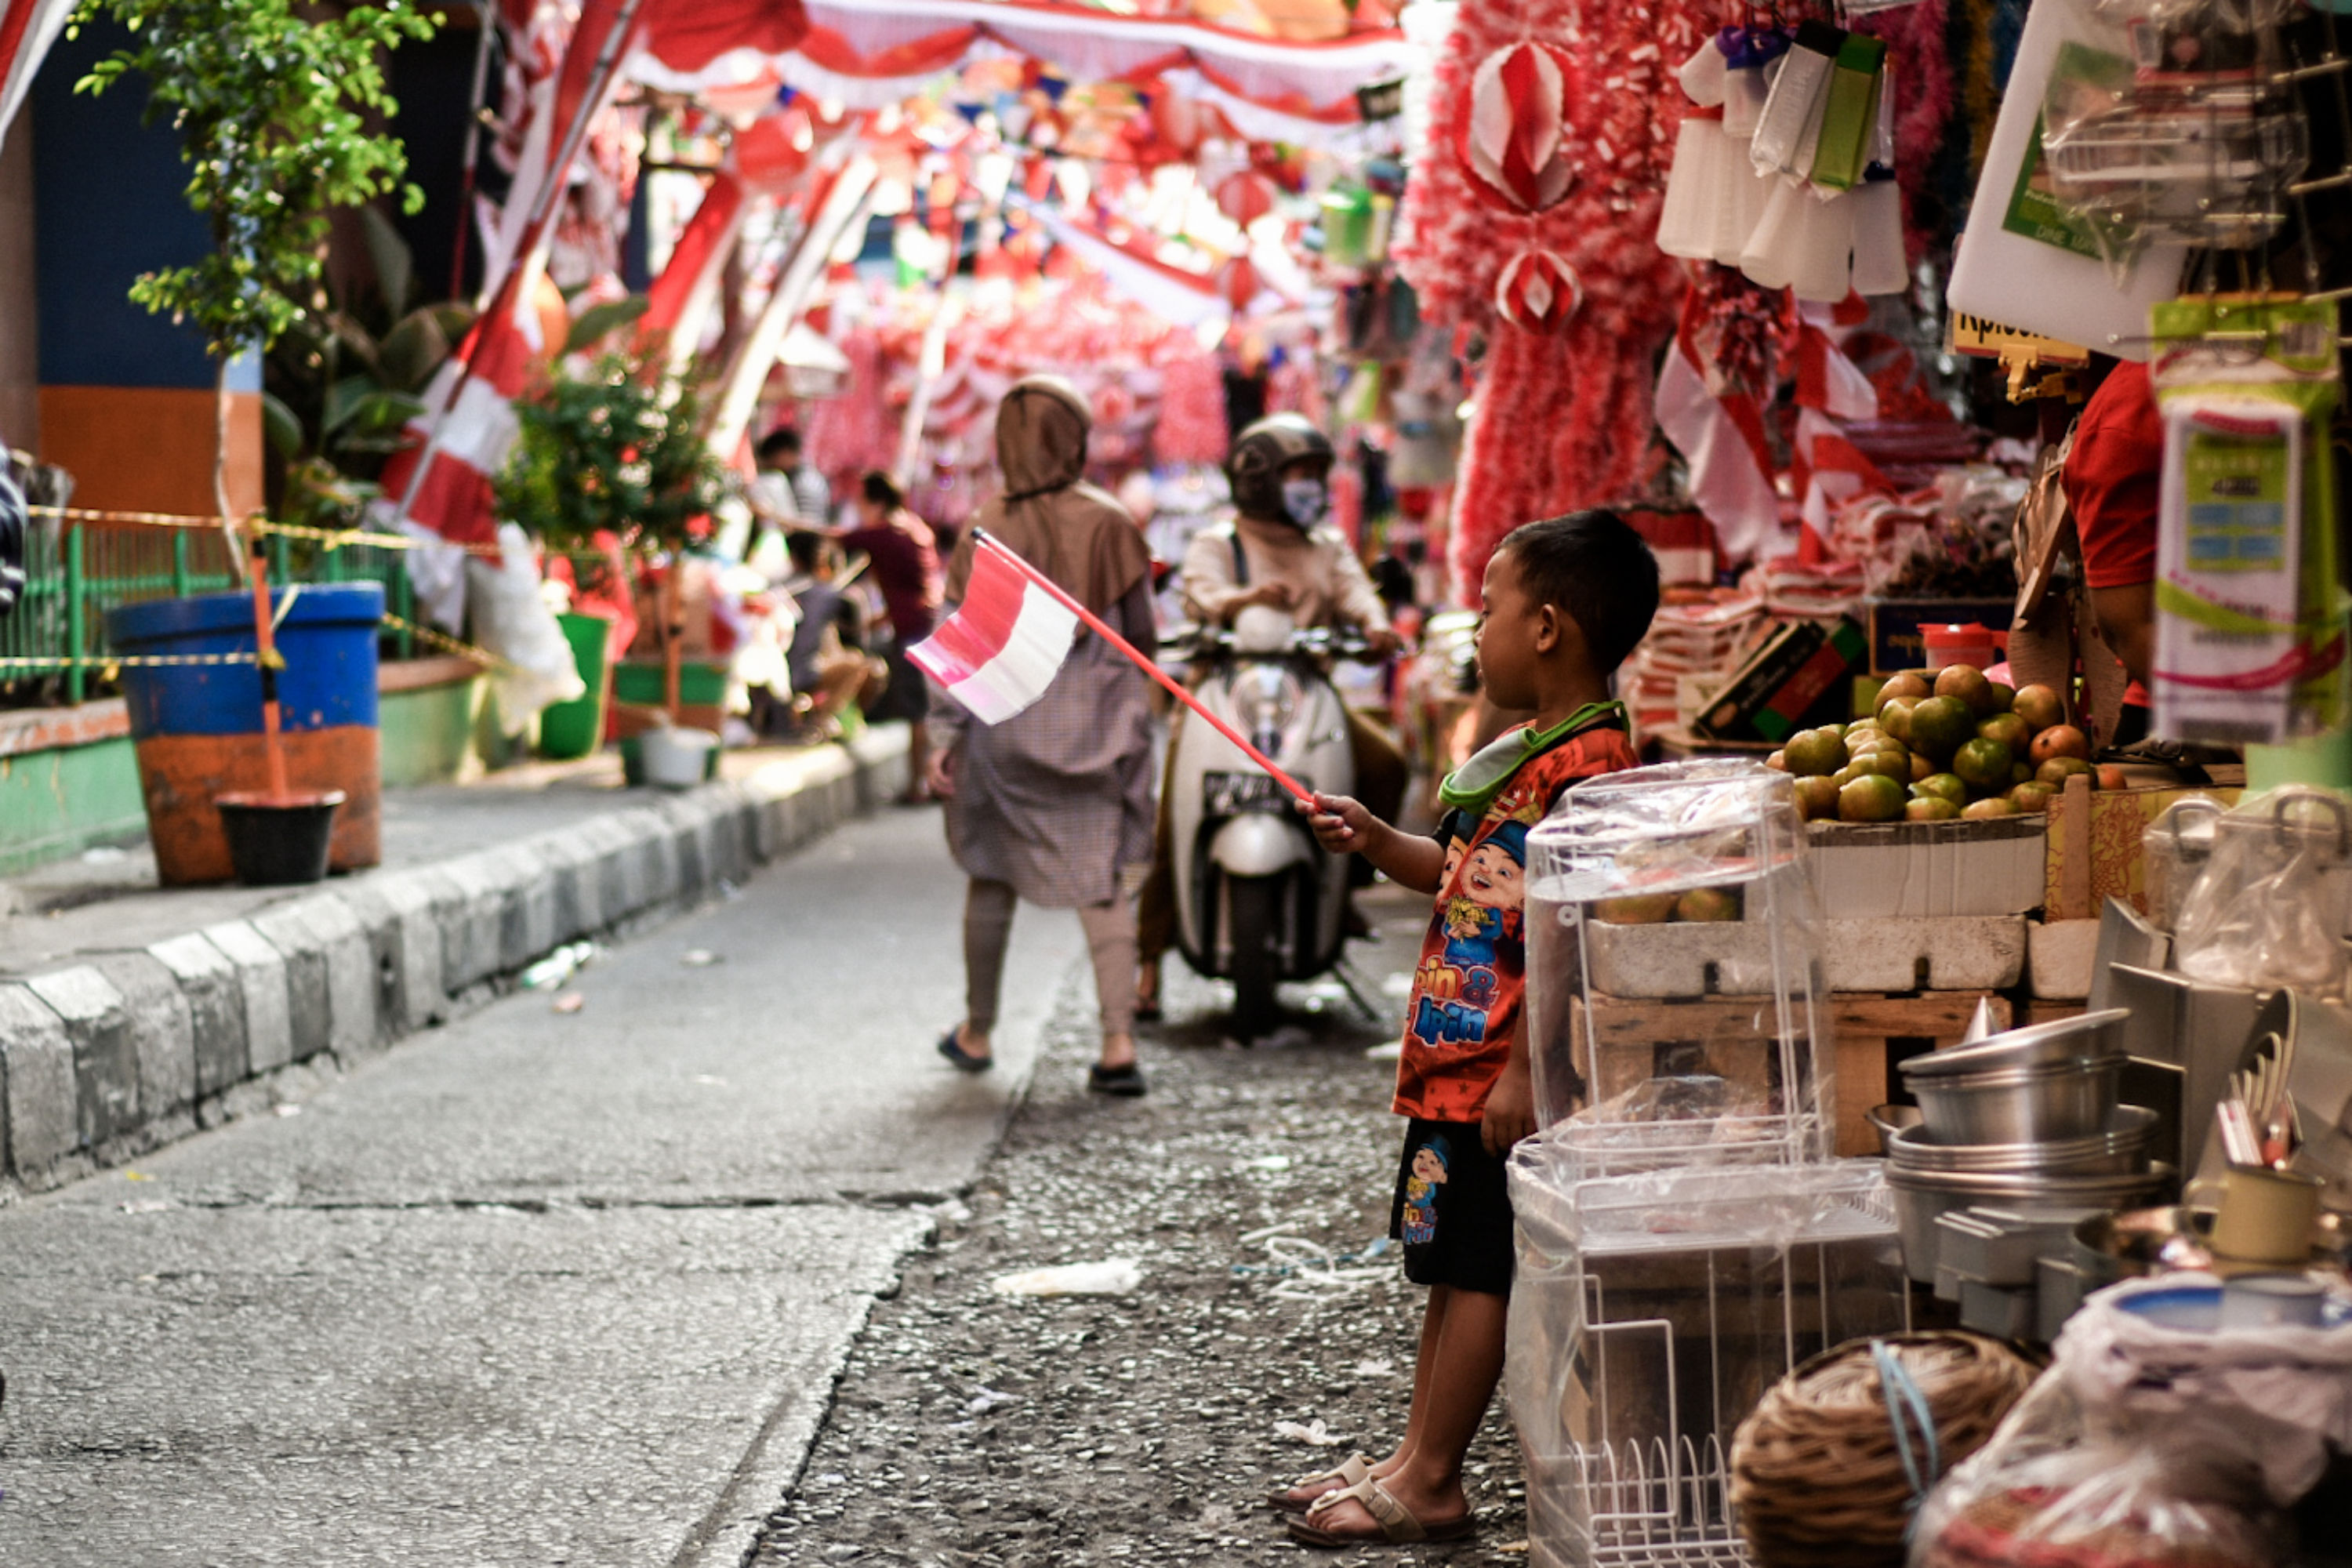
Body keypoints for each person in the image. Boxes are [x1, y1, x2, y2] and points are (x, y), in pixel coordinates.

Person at [1276, 510, 1658, 1548]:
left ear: (1546, 628)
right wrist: (1373, 839)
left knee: (1482, 1268)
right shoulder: (1527, 757)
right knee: (1448, 1266)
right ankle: (1411, 1454)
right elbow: (1459, 882)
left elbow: (1568, 932)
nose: (1474, 630)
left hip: (1502, 1073)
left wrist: (1528, 1069)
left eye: (1488, 610)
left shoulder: (1590, 768)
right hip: (1461, 1063)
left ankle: (1436, 1478)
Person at [927, 376, 1158, 1096]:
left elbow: (957, 642)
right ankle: (1118, 1043)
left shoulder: (984, 527)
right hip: (1096, 735)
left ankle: (977, 1029)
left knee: (991, 877)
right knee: (1100, 888)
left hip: (1002, 734)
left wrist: (942, 732)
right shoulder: (1113, 523)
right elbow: (1143, 638)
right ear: (1078, 439)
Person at [1132, 414, 1405, 1022]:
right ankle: (1147, 963)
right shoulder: (1218, 543)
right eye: (1298, 475)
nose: (1311, 487)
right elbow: (1200, 593)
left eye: (1316, 475)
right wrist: (1242, 601)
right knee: (1173, 817)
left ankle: (1349, 886)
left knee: (1385, 765)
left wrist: (1375, 625)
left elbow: (1356, 591)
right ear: (1257, 478)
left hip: (1309, 690)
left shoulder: (1326, 545)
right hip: (1220, 697)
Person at [838, 470, 944, 802]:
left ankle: (919, 785)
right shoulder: (915, 528)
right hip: (931, 621)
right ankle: (933, 781)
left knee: (918, 711)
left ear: (876, 503)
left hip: (914, 629)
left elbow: (839, 538)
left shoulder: (886, 533)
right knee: (932, 709)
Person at [779, 531, 880, 739]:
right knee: (856, 663)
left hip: (791, 668)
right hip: (799, 670)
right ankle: (821, 718)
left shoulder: (787, 588)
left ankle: (822, 716)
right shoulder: (822, 594)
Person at [753, 426, 832, 527]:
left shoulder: (806, 481)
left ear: (784, 453)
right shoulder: (800, 476)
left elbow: (809, 525)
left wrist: (768, 514)